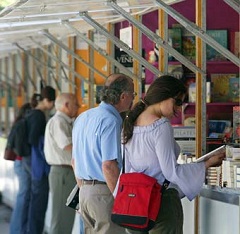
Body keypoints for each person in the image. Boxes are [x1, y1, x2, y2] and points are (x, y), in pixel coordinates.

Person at [122, 75, 225, 234]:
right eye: (177, 102)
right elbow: (171, 172)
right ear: (163, 95)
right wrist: (206, 164)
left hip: (134, 203)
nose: (179, 109)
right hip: (161, 201)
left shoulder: (130, 124)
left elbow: (127, 169)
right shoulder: (160, 125)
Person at [72, 73, 135, 234]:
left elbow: (74, 161)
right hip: (104, 192)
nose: (133, 99)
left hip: (85, 191)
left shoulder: (83, 117)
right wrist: (120, 198)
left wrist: (86, 189)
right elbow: (108, 165)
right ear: (123, 96)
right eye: (132, 95)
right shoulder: (111, 121)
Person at [44, 93, 81, 234]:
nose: (78, 107)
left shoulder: (65, 121)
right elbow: (67, 145)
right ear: (66, 105)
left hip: (66, 172)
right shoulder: (59, 121)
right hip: (62, 173)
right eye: (76, 104)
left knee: (66, 217)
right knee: (61, 218)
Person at [26, 86, 56, 234]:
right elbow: (35, 141)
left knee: (35, 202)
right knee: (39, 203)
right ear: (46, 100)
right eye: (52, 101)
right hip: (39, 167)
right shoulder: (39, 116)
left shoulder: (31, 113)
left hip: (34, 165)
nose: (53, 105)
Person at [9, 103, 32, 234]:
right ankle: (17, 231)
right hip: (23, 163)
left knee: (23, 198)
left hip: (19, 163)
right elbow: (22, 149)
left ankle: (18, 230)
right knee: (23, 198)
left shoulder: (18, 122)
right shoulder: (23, 124)